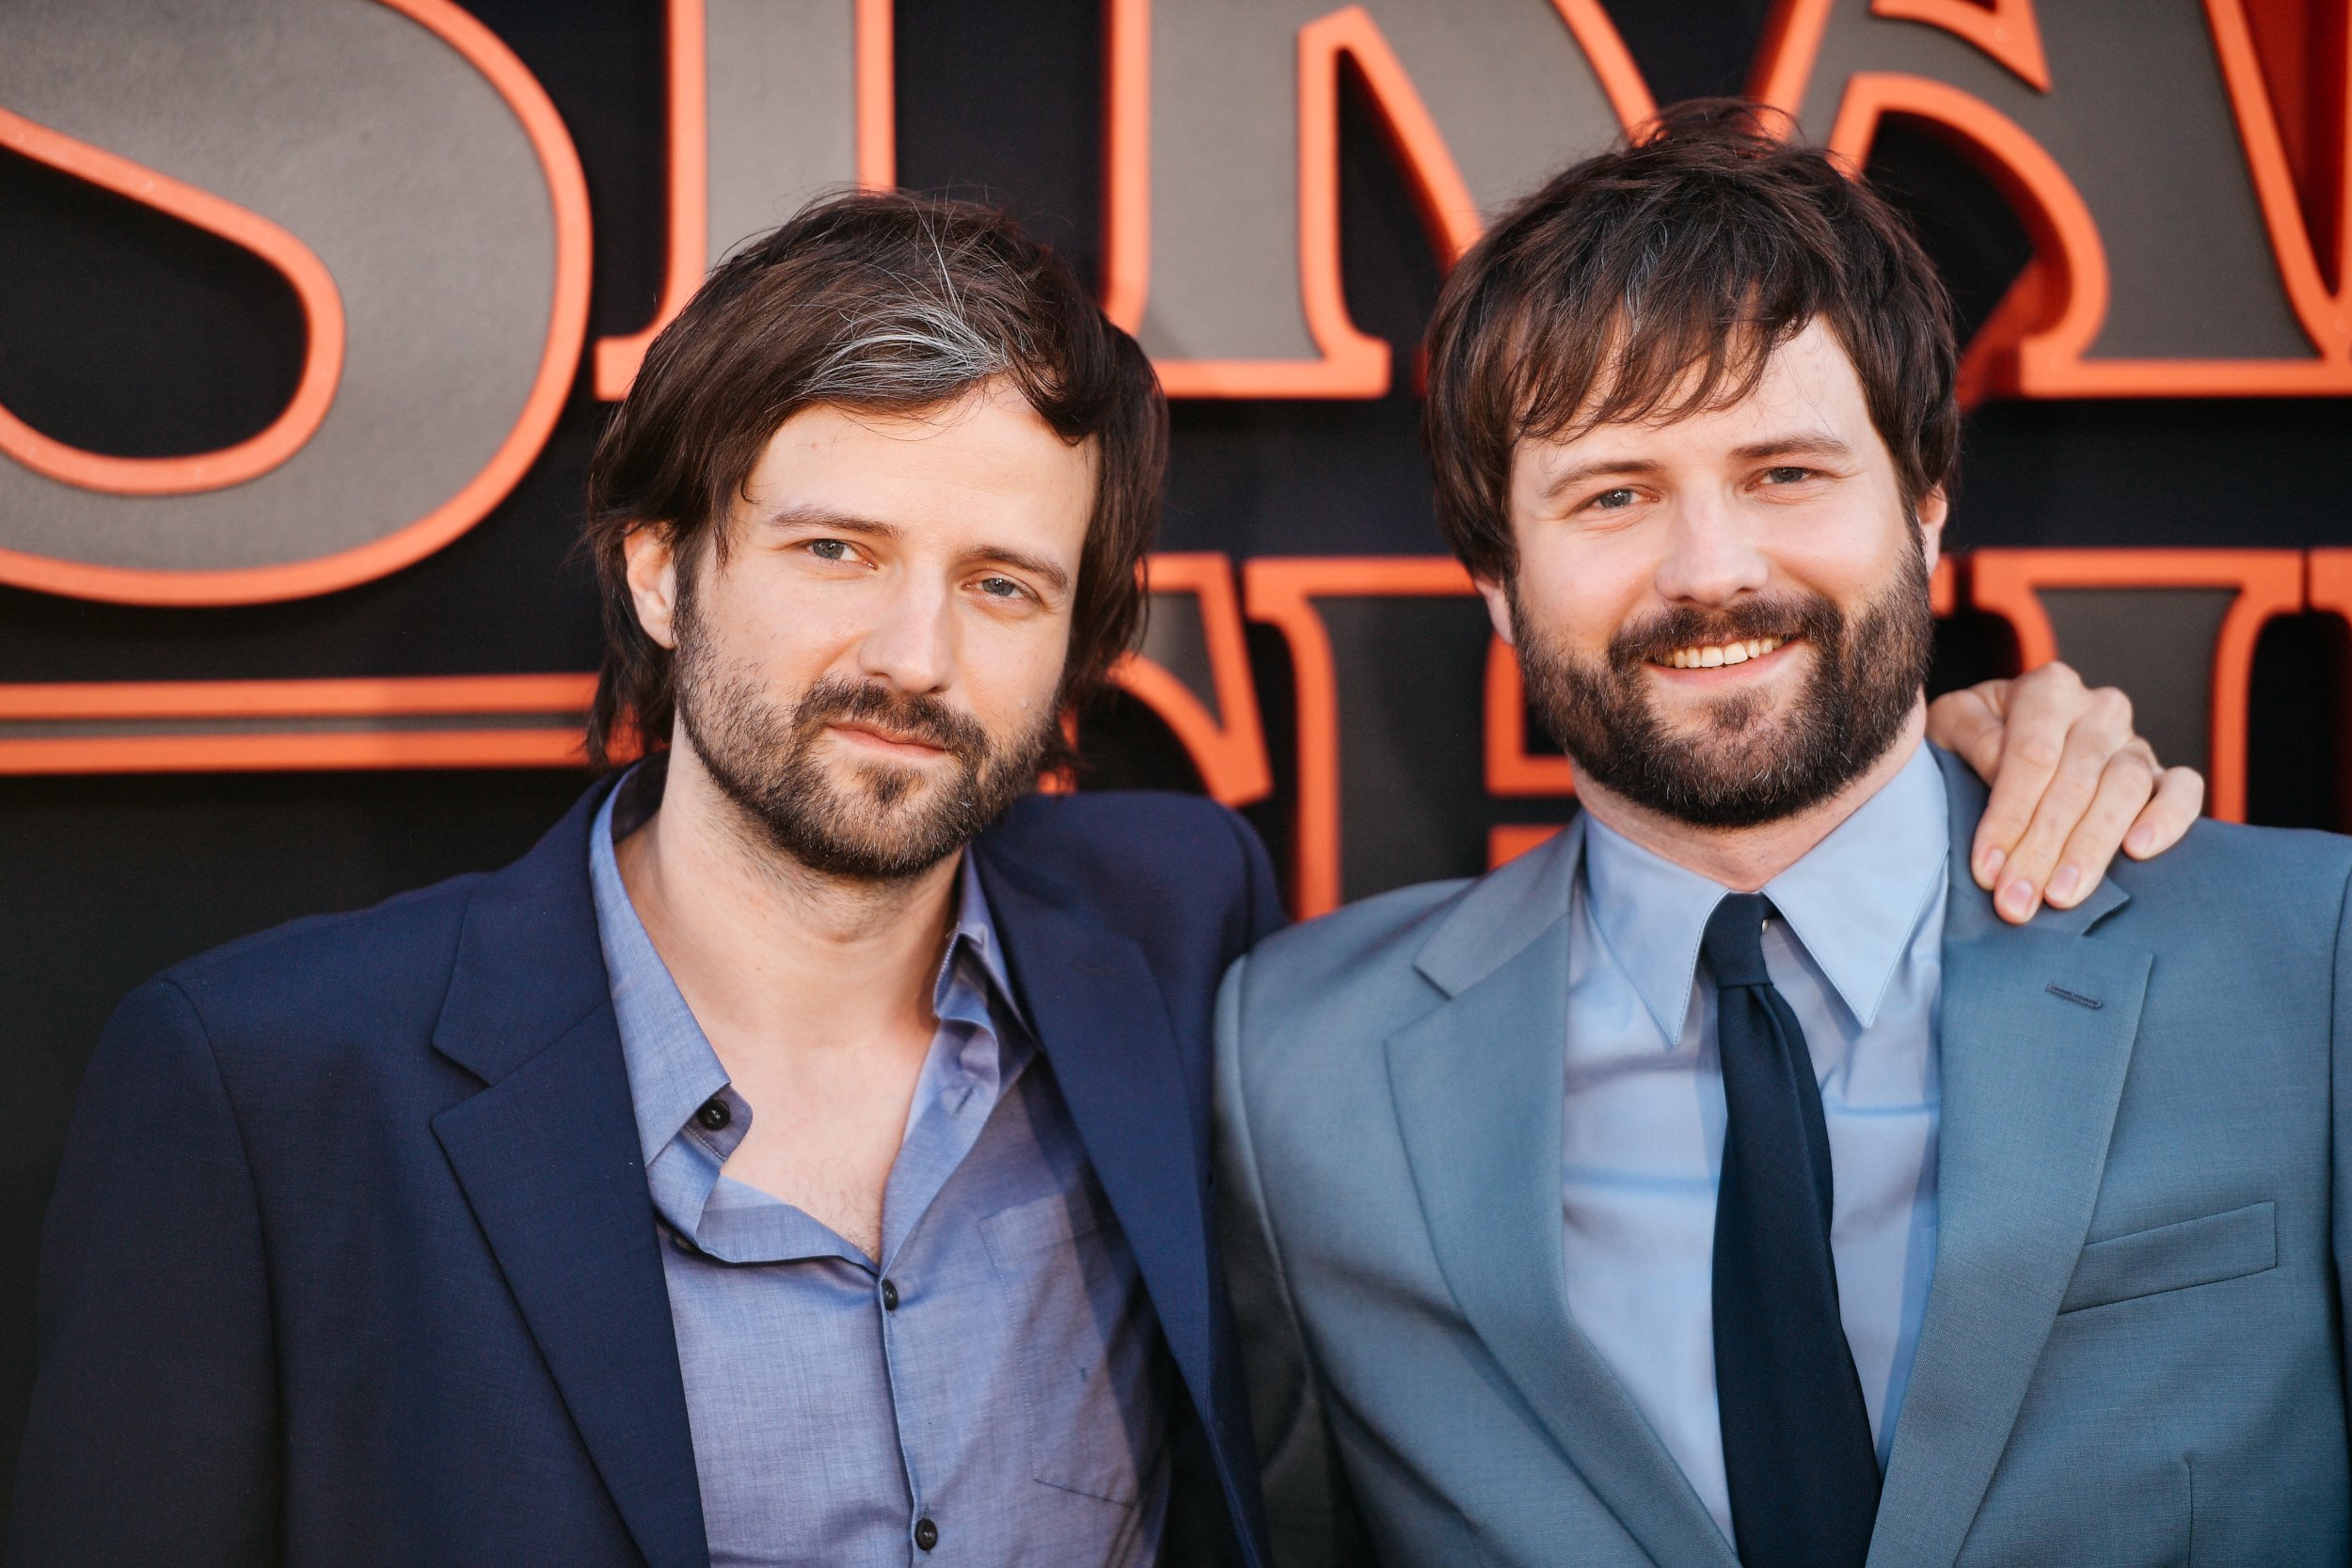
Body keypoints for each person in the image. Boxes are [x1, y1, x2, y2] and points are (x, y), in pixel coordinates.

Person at [10, 189, 2182, 1568]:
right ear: (665, 568)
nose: (909, 655)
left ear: (1078, 644)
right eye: (835, 550)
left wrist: (1959, 739)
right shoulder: (265, 1083)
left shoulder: (1177, 942)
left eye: (1001, 582)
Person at [1214, 102, 2344, 1568]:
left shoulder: (2302, 966)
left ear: (1927, 499)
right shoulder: (1296, 1069)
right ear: (1497, 578)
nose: (1715, 571)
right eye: (1614, 493)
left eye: (1786, 473)